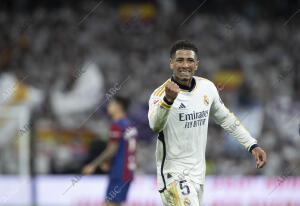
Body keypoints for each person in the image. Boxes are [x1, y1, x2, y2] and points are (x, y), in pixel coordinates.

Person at [148, 40, 267, 206]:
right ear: (171, 63)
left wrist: (251, 145)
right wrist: (168, 101)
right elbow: (155, 125)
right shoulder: (160, 94)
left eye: (190, 60)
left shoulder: (207, 88)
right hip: (173, 174)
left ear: (196, 64)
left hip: (198, 174)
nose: (185, 65)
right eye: (180, 60)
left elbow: (226, 119)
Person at [82, 96, 138, 206]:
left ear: (118, 107)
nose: (108, 107)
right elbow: (132, 149)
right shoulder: (130, 126)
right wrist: (108, 162)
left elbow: (112, 149)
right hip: (128, 171)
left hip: (119, 171)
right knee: (113, 203)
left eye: (111, 104)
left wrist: (93, 165)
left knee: (110, 204)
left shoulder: (117, 125)